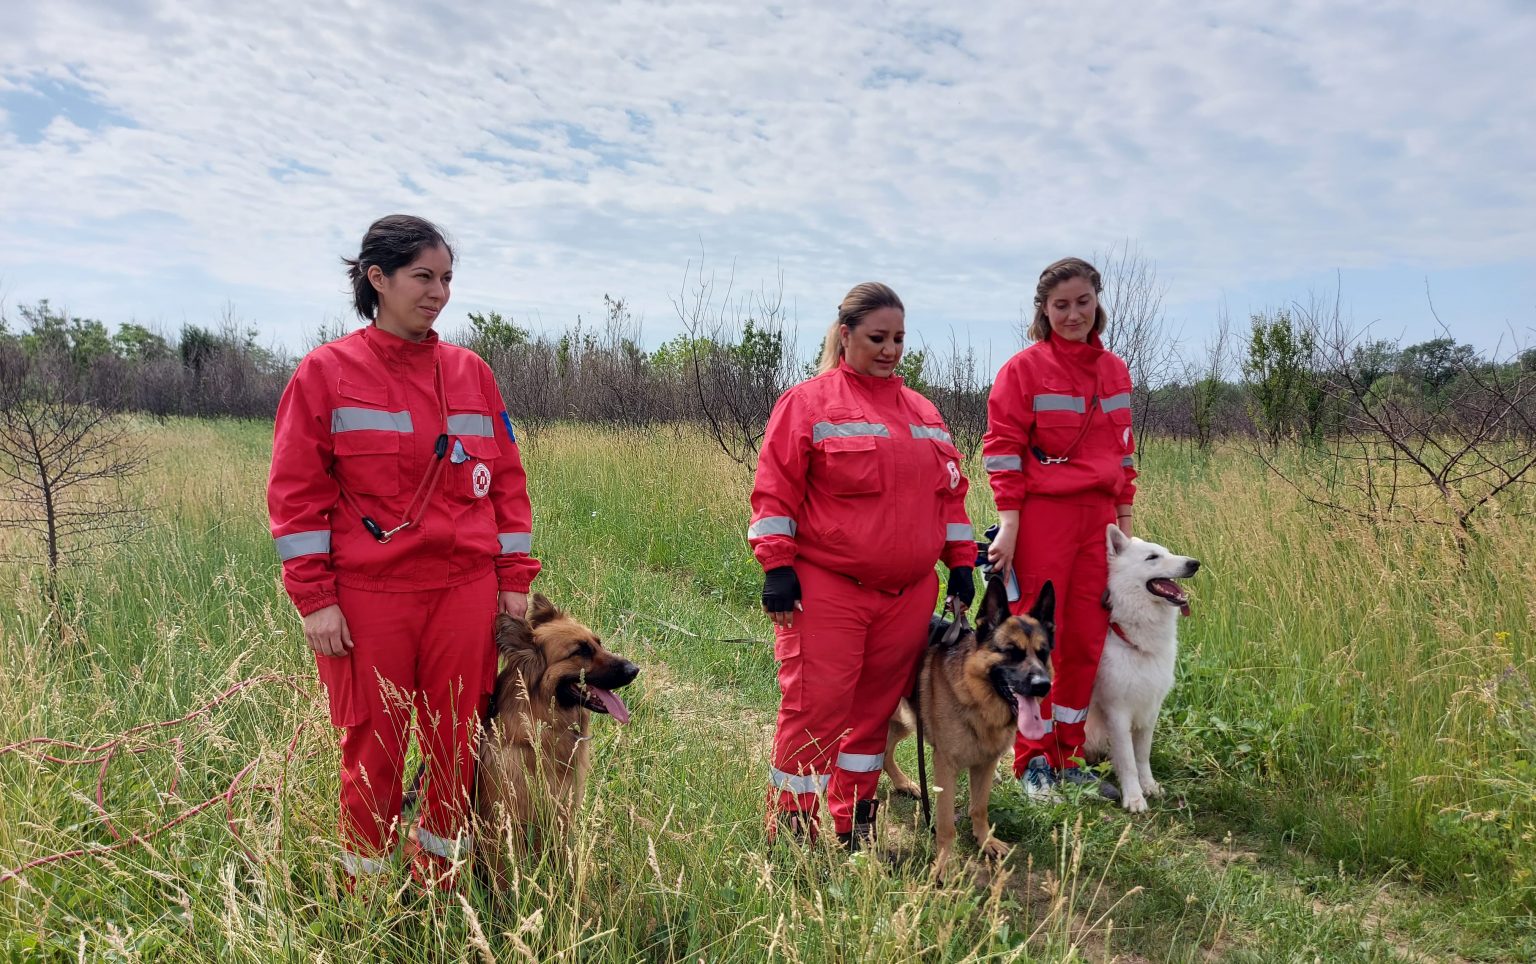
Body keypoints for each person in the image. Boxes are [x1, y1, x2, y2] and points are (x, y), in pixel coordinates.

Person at [267, 214, 540, 888]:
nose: (438, 292)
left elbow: (507, 484)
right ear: (378, 279)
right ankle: (367, 897)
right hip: (370, 598)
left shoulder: (472, 374)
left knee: (457, 746)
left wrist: (513, 578)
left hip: (463, 591)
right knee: (374, 749)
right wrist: (315, 600)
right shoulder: (326, 373)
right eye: (423, 277)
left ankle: (439, 889)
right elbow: (296, 494)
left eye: (446, 278)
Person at [748, 282, 976, 849]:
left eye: (898, 338)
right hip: (829, 589)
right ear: (845, 335)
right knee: (815, 712)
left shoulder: (924, 413)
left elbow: (950, 498)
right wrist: (777, 567)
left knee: (873, 717)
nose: (890, 350)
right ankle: (794, 835)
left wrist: (961, 564)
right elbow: (774, 491)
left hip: (908, 596)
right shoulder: (807, 403)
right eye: (878, 338)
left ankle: (854, 826)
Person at [982, 256, 1136, 802]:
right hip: (1043, 518)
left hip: (1099, 521)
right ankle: (1032, 760)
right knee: (1036, 639)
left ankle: (1068, 754)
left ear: (1097, 302)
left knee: (1086, 640)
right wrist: (1009, 524)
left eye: (1083, 302)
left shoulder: (1114, 370)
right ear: (1043, 310)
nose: (1073, 314)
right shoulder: (1023, 370)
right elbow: (1002, 450)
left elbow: (1124, 456)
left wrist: (1125, 531)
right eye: (1061, 305)